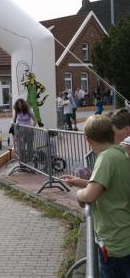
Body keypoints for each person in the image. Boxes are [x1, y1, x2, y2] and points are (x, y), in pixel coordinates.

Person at [61, 115, 130, 278]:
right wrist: (81, 182)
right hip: (124, 238)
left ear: (88, 140)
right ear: (111, 133)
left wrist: (79, 194)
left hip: (114, 243)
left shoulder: (105, 158)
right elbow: (110, 187)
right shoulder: (121, 154)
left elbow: (90, 195)